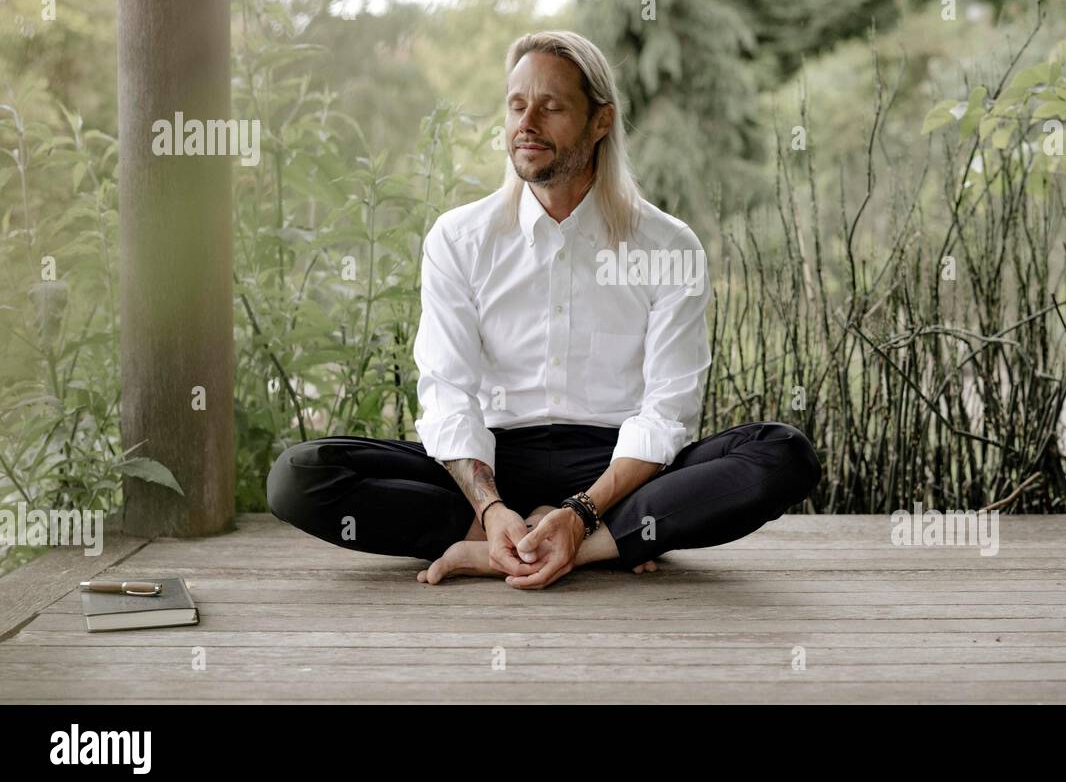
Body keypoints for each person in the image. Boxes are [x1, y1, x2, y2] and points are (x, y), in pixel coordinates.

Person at [267, 30, 821, 590]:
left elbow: (668, 413)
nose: (526, 123)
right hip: (493, 464)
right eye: (516, 105)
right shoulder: (459, 239)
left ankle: (566, 547)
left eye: (551, 106)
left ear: (600, 121)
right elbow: (449, 396)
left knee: (783, 454)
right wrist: (492, 508)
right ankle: (543, 539)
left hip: (618, 472)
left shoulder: (667, 245)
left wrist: (581, 514)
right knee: (299, 476)